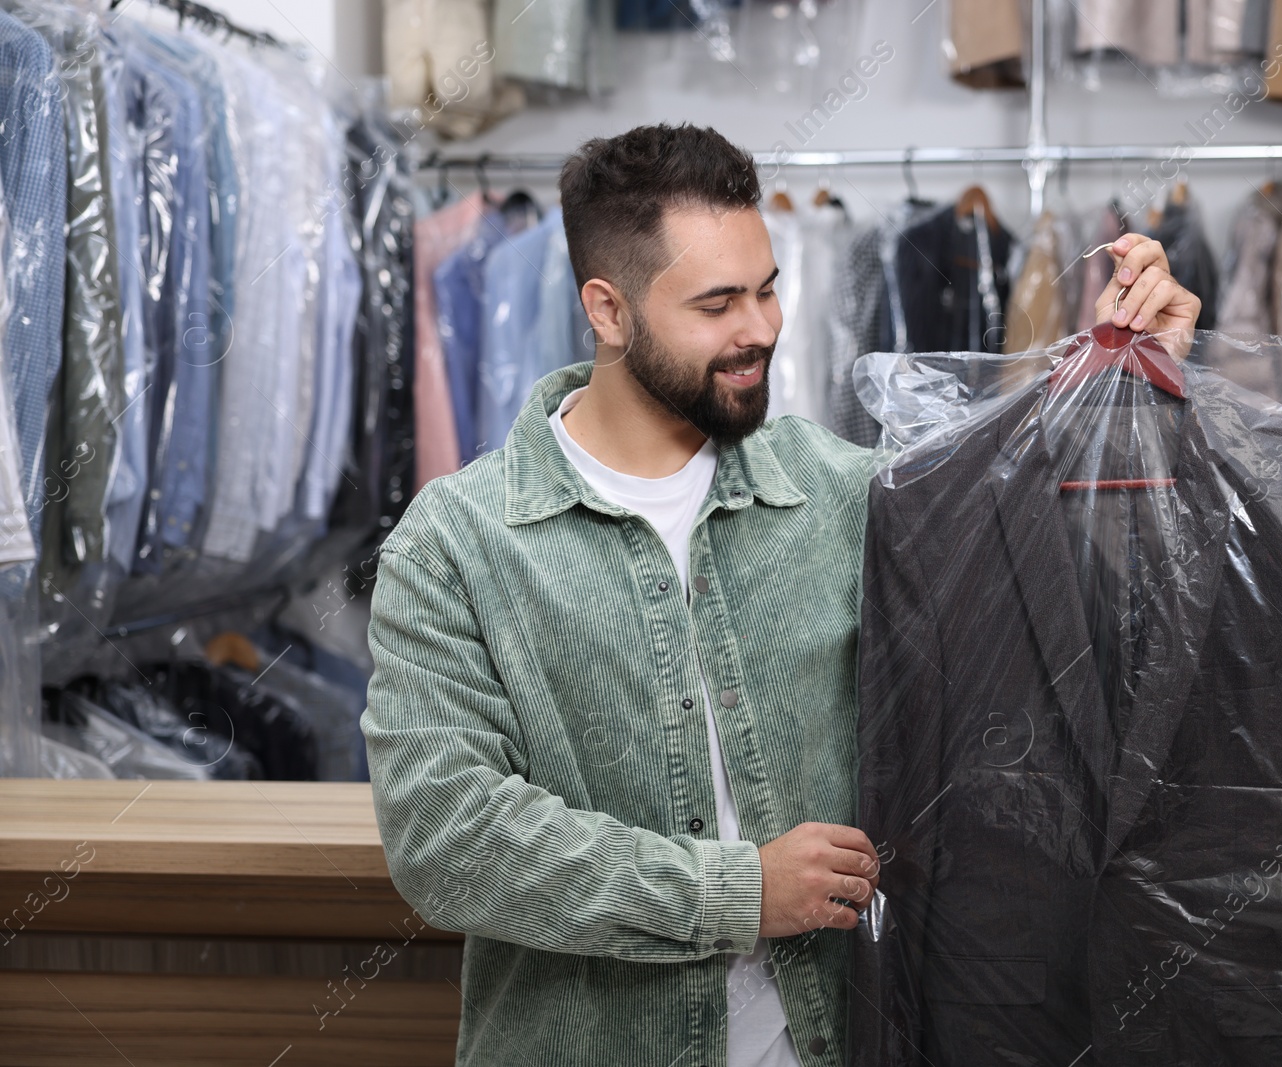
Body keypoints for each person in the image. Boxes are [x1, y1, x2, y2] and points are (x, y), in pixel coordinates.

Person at [361, 122, 1201, 1067]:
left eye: (766, 289)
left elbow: (1053, 593)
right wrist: (735, 893)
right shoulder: (457, 545)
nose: (759, 328)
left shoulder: (846, 491)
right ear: (608, 310)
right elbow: (446, 837)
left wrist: (1140, 395)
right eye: (717, 303)